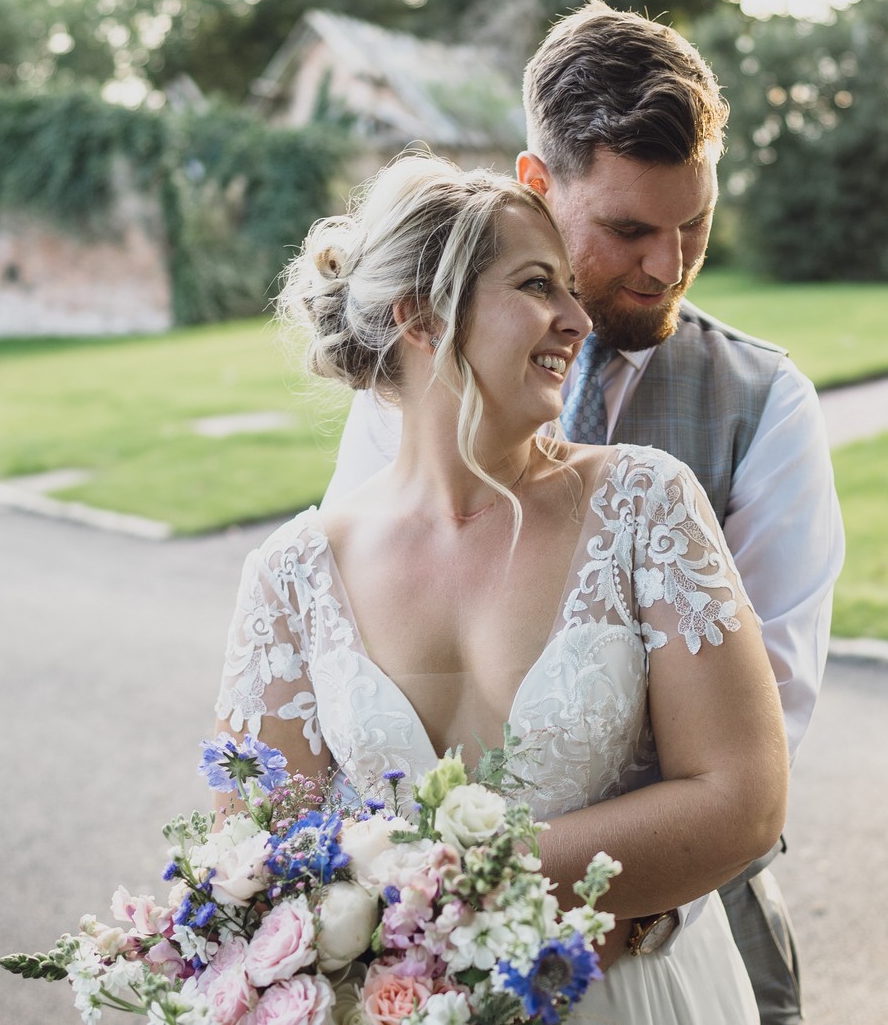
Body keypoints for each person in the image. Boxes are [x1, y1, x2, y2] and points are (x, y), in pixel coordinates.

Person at [322, 1, 846, 1025]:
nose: (667, 264)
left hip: (689, 918)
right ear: (537, 183)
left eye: (694, 223)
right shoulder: (411, 392)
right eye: (629, 230)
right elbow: (356, 656)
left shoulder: (766, 406)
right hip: (430, 954)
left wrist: (620, 902)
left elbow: (768, 712)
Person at [213, 155, 789, 1023]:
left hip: (627, 995)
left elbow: (742, 800)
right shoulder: (292, 575)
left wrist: (430, 880)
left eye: (569, 288)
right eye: (536, 285)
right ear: (421, 316)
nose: (577, 318)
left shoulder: (646, 504)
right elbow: (257, 866)